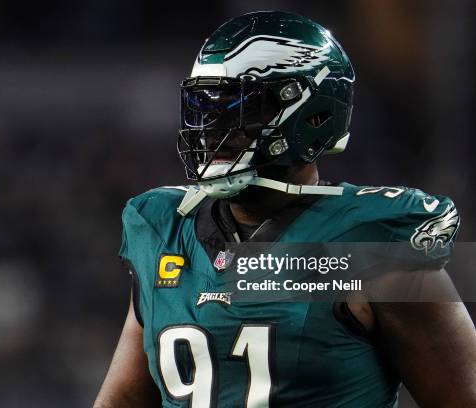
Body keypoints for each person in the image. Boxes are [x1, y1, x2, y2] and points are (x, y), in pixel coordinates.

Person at [94, 11, 476, 408]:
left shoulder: (374, 243)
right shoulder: (164, 230)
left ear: (313, 115)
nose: (211, 129)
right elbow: (122, 399)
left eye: (240, 108)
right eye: (205, 107)